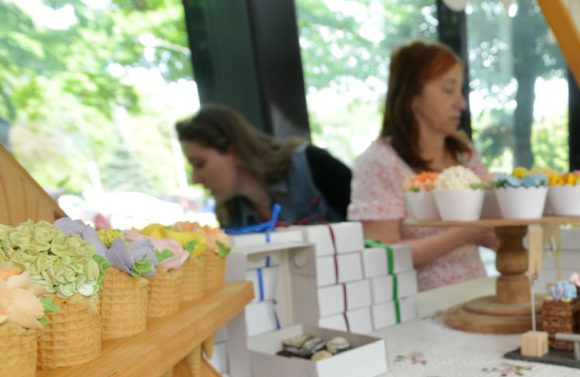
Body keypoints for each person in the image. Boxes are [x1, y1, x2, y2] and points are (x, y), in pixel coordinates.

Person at [347, 40, 497, 291]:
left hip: (476, 297)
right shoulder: (380, 163)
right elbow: (380, 255)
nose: (461, 103)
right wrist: (464, 234)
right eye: (448, 89)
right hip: (415, 313)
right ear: (412, 95)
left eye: (460, 90)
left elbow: (493, 226)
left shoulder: (464, 154)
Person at [177, 105, 352, 228]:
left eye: (199, 164)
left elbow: (374, 230)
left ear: (234, 151)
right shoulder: (231, 216)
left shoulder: (310, 163)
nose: (195, 178)